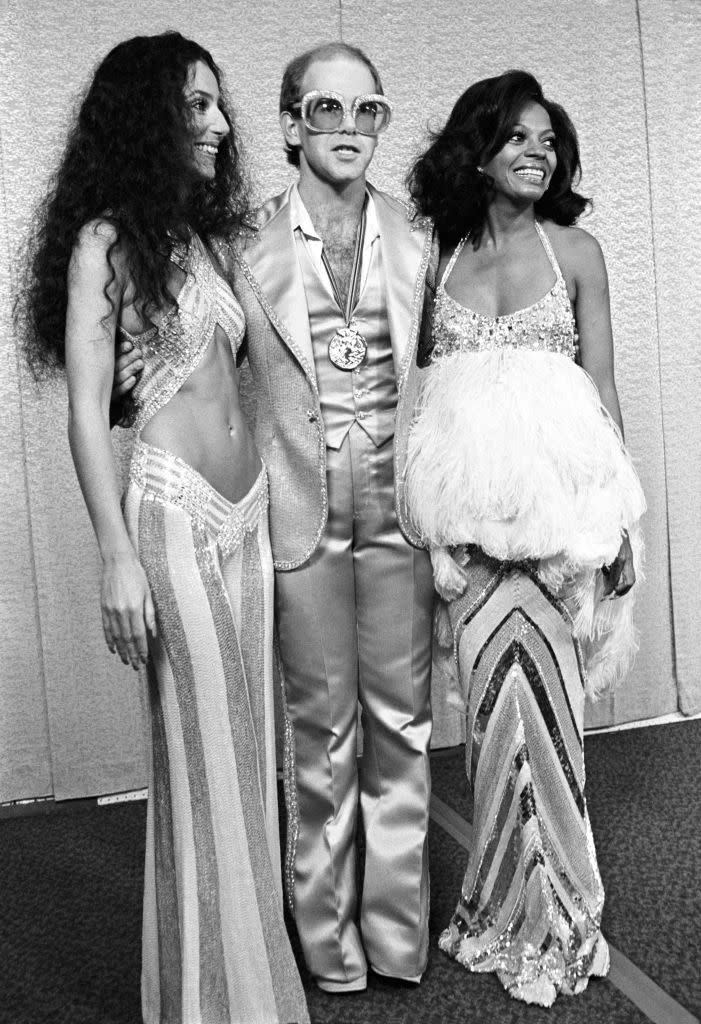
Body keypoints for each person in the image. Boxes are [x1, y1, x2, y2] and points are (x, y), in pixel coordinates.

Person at [115, 41, 435, 995]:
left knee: (403, 727)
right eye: (325, 111)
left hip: (398, 517)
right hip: (292, 520)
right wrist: (132, 387)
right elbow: (185, 356)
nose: (347, 129)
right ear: (292, 124)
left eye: (365, 110)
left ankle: (395, 935)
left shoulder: (418, 241)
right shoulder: (238, 244)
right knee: (321, 735)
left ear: (381, 121)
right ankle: (328, 949)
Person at [19, 32, 309, 1024]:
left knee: (244, 750)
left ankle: (228, 984)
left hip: (249, 516)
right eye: (197, 107)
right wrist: (114, 555)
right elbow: (86, 406)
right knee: (203, 753)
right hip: (173, 512)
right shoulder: (104, 241)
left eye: (219, 107)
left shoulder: (208, 240)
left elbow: (262, 379)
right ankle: (219, 1002)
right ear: (147, 117)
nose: (220, 126)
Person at [405, 70, 645, 1006]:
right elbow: (421, 404)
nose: (536, 152)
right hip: (466, 538)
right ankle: (497, 907)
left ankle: (563, 918)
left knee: (549, 724)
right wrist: (423, 531)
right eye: (516, 138)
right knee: (486, 724)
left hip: (558, 532)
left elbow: (602, 392)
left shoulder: (576, 251)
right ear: (479, 149)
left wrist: (620, 518)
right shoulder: (438, 256)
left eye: (548, 139)